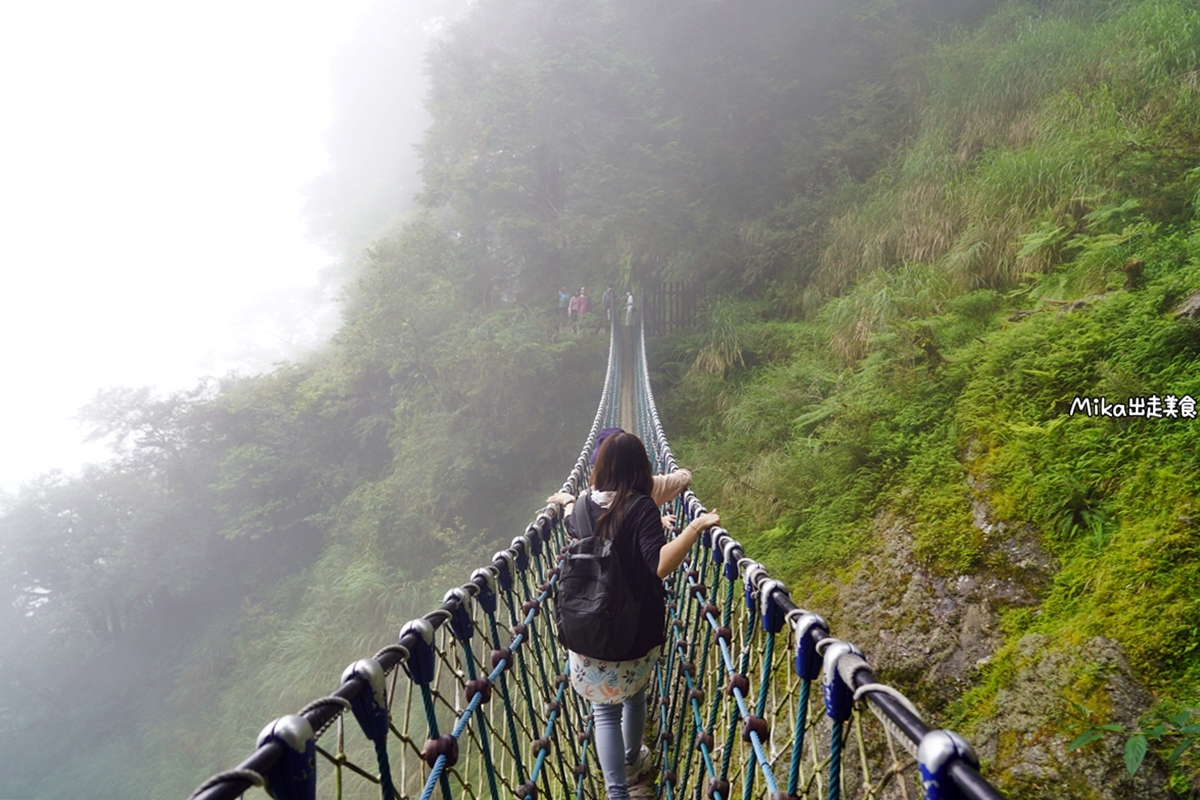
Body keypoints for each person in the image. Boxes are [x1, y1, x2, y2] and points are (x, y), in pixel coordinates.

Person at [547, 432, 718, 800]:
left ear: (599, 467)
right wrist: (694, 527)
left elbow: (570, 519)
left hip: (586, 627)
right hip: (634, 629)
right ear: (642, 468)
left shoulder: (579, 509)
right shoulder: (642, 508)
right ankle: (632, 757)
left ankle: (616, 792)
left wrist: (565, 500)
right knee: (634, 698)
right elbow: (658, 564)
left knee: (603, 712)